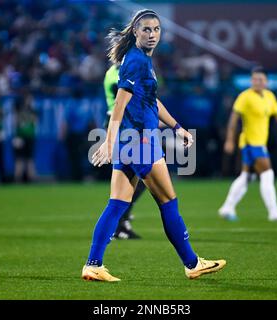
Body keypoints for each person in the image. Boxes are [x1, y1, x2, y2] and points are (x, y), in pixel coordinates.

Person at [82, 9, 226, 282]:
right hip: (140, 141)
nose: (152, 34)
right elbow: (120, 105)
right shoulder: (136, 62)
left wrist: (176, 127)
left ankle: (93, 264)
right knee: (168, 201)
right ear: (135, 32)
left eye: (156, 29)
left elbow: (151, 103)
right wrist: (108, 140)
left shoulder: (140, 61)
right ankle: (192, 263)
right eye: (146, 29)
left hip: (130, 142)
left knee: (116, 204)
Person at [218, 67, 277, 221]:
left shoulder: (269, 96)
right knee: (267, 174)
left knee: (247, 177)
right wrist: (229, 139)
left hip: (259, 142)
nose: (257, 82)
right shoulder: (245, 97)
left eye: (260, 79)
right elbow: (233, 119)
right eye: (254, 79)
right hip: (250, 142)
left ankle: (227, 207)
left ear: (266, 82)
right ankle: (274, 212)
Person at [103, 63, 143, 240]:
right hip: (122, 125)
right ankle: (120, 221)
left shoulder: (116, 71)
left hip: (127, 125)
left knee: (134, 178)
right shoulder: (117, 74)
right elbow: (124, 100)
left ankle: (120, 222)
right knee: (141, 177)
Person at [13, 92, 37, 183]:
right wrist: (16, 136)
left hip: (30, 137)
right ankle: (17, 179)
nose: (31, 101)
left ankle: (31, 179)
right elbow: (15, 123)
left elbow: (35, 123)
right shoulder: (18, 110)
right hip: (20, 137)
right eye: (29, 99)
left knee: (30, 159)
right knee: (19, 159)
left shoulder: (33, 111)